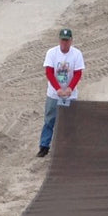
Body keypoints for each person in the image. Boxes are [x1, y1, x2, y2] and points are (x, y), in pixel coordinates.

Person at [36, 27, 85, 157]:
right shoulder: (52, 53)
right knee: (49, 120)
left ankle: (68, 147)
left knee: (69, 122)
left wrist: (70, 88)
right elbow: (49, 72)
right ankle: (44, 146)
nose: (64, 43)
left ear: (71, 41)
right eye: (63, 40)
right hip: (53, 93)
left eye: (67, 41)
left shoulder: (76, 54)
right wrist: (57, 89)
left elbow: (78, 73)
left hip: (70, 95)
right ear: (59, 40)